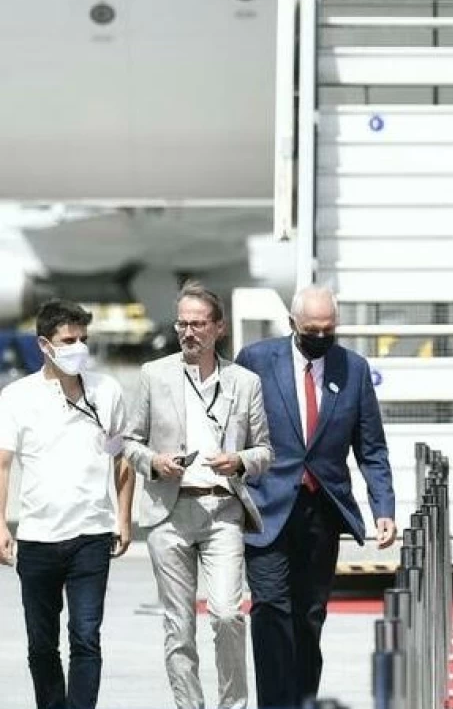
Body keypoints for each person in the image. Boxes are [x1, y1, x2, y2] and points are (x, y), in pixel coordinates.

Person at [234, 285, 397, 709]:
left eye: (329, 330)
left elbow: (371, 447)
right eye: (312, 330)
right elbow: (233, 431)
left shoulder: (353, 369)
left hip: (321, 511)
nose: (321, 337)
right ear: (293, 325)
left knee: (309, 615)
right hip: (266, 506)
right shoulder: (256, 361)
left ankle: (303, 700)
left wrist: (383, 508)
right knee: (270, 609)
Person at [122, 282, 274, 709]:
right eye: (182, 324)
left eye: (198, 324)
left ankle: (233, 705)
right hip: (168, 513)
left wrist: (239, 461)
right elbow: (129, 442)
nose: (188, 332)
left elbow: (265, 450)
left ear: (218, 328)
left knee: (227, 614)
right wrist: (155, 462)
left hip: (222, 508)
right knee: (178, 626)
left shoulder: (245, 382)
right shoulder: (154, 374)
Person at [0, 299, 134, 709]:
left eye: (83, 339)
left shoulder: (106, 390)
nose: (78, 347)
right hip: (38, 537)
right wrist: (0, 524)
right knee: (42, 644)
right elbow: (2, 464)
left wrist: (124, 518)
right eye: (68, 340)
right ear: (44, 344)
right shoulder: (17, 396)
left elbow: (122, 457)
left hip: (91, 536)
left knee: (85, 636)